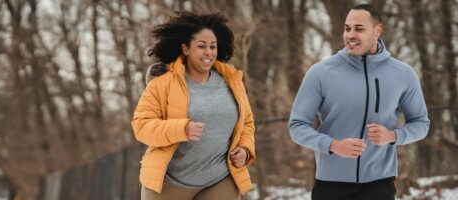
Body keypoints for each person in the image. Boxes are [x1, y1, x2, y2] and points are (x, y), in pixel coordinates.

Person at [288, 4, 430, 200]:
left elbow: (421, 124)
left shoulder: (403, 74)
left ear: (378, 30)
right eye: (347, 28)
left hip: (380, 185)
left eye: (359, 29)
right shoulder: (321, 73)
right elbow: (297, 126)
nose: (350, 35)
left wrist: (393, 135)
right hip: (331, 185)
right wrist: (333, 145)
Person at [132, 12, 255, 200]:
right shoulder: (162, 83)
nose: (209, 52)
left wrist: (245, 149)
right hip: (169, 183)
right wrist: (182, 128)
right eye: (201, 46)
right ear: (185, 49)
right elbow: (142, 126)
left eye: (213, 46)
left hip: (219, 179)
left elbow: (246, 122)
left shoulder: (232, 82)